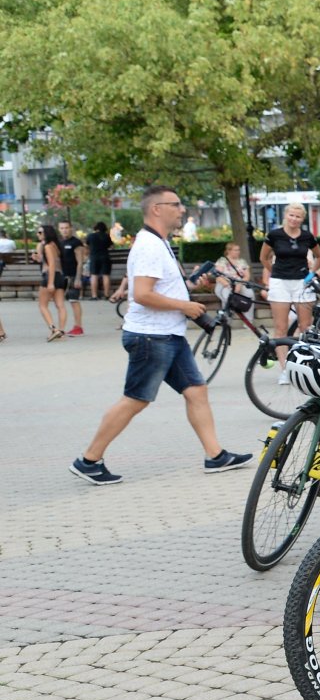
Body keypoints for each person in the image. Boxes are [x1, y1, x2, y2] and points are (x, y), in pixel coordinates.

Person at [69, 185, 253, 484]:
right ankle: (89, 460)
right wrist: (185, 305)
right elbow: (141, 294)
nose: (182, 210)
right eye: (176, 204)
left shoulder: (159, 243)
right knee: (135, 400)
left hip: (167, 335)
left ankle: (215, 455)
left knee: (196, 391)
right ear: (157, 209)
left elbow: (161, 288)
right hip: (151, 337)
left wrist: (191, 285)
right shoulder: (149, 246)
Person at [262, 203, 319, 372]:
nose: (294, 219)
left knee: (306, 327)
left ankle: (305, 365)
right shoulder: (274, 235)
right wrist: (275, 273)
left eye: (298, 216)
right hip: (281, 282)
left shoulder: (307, 236)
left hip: (302, 282)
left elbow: (319, 256)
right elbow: (263, 257)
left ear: (303, 219)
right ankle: (285, 368)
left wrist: (313, 273)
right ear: (286, 215)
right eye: (291, 215)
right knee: (281, 328)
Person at [36, 223, 68, 342]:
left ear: (46, 233)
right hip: (59, 276)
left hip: (50, 276)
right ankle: (61, 331)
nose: (38, 234)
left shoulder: (48, 246)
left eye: (40, 232)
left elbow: (52, 264)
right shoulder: (55, 245)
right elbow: (52, 261)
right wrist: (39, 258)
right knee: (60, 305)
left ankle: (54, 329)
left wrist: (50, 283)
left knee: (42, 305)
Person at [56, 220, 86, 335]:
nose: (64, 230)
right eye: (62, 228)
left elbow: (80, 262)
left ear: (71, 228)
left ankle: (78, 326)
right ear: (59, 229)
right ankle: (61, 327)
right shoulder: (59, 242)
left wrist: (78, 278)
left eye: (66, 228)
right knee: (60, 302)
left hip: (73, 276)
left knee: (74, 301)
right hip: (62, 276)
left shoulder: (76, 243)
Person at [86, 221, 113, 304]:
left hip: (94, 257)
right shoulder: (106, 236)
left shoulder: (91, 236)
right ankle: (106, 295)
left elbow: (87, 245)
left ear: (96, 228)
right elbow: (111, 246)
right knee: (106, 276)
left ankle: (94, 295)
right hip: (105, 257)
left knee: (94, 275)